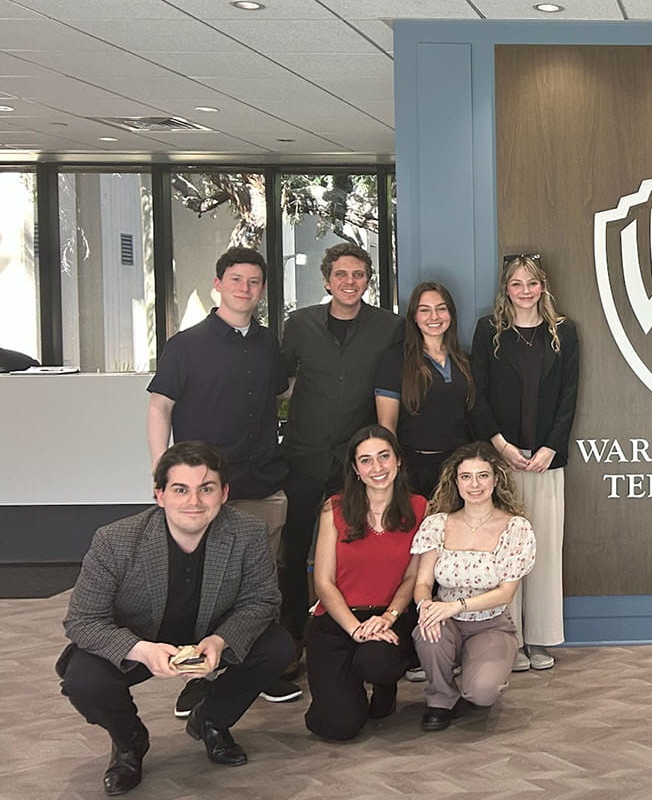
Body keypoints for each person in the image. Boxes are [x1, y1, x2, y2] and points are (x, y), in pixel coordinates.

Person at [58, 441, 291, 796]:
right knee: (83, 680)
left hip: (208, 638)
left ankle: (211, 719)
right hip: (139, 642)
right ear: (160, 495)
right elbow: (82, 621)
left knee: (278, 646)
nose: (194, 502)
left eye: (206, 489)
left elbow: (262, 601)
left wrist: (220, 640)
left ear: (224, 493)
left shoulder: (248, 533)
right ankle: (129, 742)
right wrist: (142, 650)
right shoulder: (114, 541)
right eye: (180, 489)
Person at [145, 246, 300, 712]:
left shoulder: (269, 342)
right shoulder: (186, 344)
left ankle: (254, 669)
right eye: (235, 280)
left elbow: (282, 395)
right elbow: (160, 407)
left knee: (260, 584)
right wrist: (165, 476)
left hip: (262, 482)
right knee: (208, 587)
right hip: (205, 490)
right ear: (218, 284)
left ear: (262, 289)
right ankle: (202, 677)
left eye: (253, 282)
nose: (244, 289)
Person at [279, 242, 403, 658]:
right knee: (293, 550)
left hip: (356, 462)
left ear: (368, 280)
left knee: (360, 547)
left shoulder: (389, 326)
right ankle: (292, 638)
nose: (349, 282)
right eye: (341, 275)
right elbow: (279, 382)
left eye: (358, 275)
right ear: (327, 280)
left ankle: (360, 631)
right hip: (303, 455)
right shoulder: (299, 325)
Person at [470, 254, 579, 672]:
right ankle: (508, 640)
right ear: (506, 289)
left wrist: (551, 447)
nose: (525, 291)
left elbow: (569, 396)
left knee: (544, 551)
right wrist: (500, 445)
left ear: (543, 287)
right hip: (502, 461)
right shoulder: (488, 331)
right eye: (517, 284)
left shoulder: (564, 334)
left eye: (532, 283)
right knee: (505, 553)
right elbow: (476, 393)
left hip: (547, 462)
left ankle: (540, 639)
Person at [303, 425, 426, 740]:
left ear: (398, 461)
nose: (377, 468)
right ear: (356, 469)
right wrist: (355, 629)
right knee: (338, 726)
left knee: (377, 660)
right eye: (366, 460)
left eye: (384, 457)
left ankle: (384, 686)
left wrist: (387, 618)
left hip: (389, 617)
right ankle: (348, 688)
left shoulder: (419, 507)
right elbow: (324, 583)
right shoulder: (334, 508)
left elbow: (412, 577)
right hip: (337, 619)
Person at [411, 442, 537, 731]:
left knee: (482, 693)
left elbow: (506, 593)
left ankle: (472, 684)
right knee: (427, 632)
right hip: (446, 620)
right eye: (466, 476)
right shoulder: (437, 524)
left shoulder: (515, 528)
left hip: (491, 624)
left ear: (496, 480)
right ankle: (441, 697)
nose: (474, 484)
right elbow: (423, 582)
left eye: (482, 475)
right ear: (456, 482)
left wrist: (457, 605)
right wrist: (426, 606)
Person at [376, 281, 478, 497]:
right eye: (425, 310)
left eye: (441, 308)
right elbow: (387, 425)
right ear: (414, 316)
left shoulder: (465, 360)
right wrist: (392, 469)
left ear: (451, 313)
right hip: (413, 470)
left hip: (459, 469)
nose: (434, 317)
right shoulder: (395, 359)